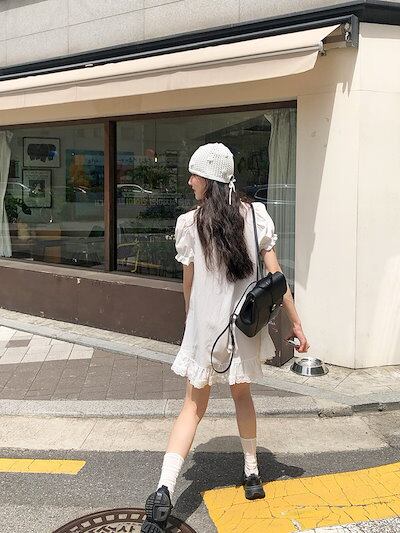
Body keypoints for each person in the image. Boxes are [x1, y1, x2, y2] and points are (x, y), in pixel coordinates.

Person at [141, 143, 309, 533]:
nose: (189, 181)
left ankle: (164, 489)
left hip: (206, 331)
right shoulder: (256, 217)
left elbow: (189, 287)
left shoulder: (189, 224)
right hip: (243, 330)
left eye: (194, 174)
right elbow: (276, 279)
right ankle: (252, 474)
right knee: (242, 396)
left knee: (192, 407)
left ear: (210, 179)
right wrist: (297, 324)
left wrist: (191, 324)